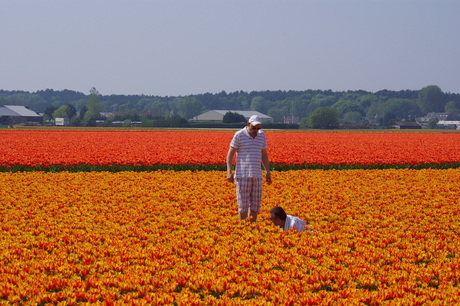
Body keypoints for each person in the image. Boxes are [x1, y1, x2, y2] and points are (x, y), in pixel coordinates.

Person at [226, 115, 272, 222]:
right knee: (243, 205)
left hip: (257, 174)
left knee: (255, 206)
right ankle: (243, 228)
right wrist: (229, 171)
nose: (256, 130)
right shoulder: (239, 135)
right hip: (243, 174)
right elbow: (230, 153)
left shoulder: (261, 135)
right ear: (248, 124)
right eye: (254, 127)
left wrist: (268, 171)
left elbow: (264, 154)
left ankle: (252, 226)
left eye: (258, 128)